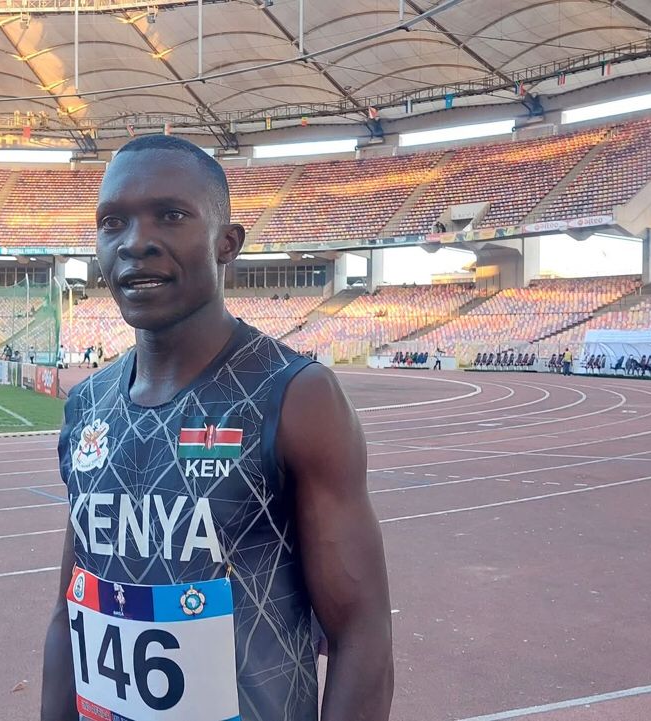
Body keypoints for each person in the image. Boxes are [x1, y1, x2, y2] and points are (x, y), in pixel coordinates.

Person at [41, 135, 394, 721]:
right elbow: (69, 610)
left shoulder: (297, 396)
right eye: (113, 223)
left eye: (172, 216)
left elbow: (362, 631)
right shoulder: (88, 406)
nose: (136, 243)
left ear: (227, 243)